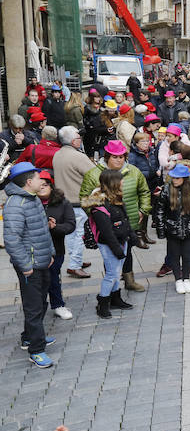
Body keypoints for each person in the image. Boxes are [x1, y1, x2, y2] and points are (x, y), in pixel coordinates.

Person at [80, 140, 152, 292]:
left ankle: (129, 280)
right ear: (107, 157)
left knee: (128, 251)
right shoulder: (93, 174)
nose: (119, 160)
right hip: (107, 225)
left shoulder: (134, 171)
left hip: (129, 220)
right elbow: (85, 199)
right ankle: (112, 287)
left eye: (121, 157)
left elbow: (144, 191)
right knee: (111, 254)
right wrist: (99, 216)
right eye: (115, 157)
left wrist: (143, 210)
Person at [3, 163, 56, 367]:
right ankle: (36, 350)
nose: (42, 181)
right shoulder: (16, 204)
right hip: (30, 266)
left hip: (42, 261)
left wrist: (50, 253)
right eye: (38, 177)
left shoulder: (32, 198)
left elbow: (43, 229)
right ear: (28, 182)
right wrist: (26, 265)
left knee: (41, 302)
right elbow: (12, 240)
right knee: (33, 307)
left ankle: (29, 337)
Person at [83, 169, 137, 319]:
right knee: (111, 274)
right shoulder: (100, 205)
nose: (123, 182)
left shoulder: (116, 198)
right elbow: (106, 232)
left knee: (117, 272)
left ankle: (115, 299)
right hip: (109, 245)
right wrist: (117, 249)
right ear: (114, 183)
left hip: (122, 241)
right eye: (121, 179)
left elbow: (125, 220)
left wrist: (131, 236)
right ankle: (103, 303)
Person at [52, 127, 97, 280]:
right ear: (72, 141)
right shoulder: (78, 156)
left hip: (64, 201)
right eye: (78, 137)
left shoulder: (58, 154)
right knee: (79, 234)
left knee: (71, 234)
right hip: (78, 200)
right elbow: (95, 175)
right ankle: (75, 265)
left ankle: (75, 260)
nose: (81, 140)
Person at [154, 164, 190, 294]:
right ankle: (178, 279)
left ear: (184, 178)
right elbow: (159, 211)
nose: (174, 180)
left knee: (187, 255)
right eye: (173, 177)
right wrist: (161, 230)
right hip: (172, 229)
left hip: (189, 229)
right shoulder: (167, 190)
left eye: (177, 178)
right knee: (174, 255)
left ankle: (186, 279)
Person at [36, 171, 76, 320]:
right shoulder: (30, 202)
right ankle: (36, 308)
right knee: (38, 281)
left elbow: (70, 225)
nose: (42, 188)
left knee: (53, 277)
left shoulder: (62, 202)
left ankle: (58, 305)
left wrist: (55, 227)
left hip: (56, 248)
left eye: (45, 185)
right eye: (39, 185)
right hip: (35, 248)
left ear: (51, 186)